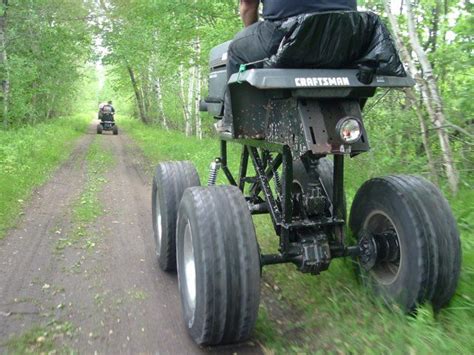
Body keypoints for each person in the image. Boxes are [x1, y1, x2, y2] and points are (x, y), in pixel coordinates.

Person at [216, 0, 357, 133]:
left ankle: (234, 121)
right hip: (344, 37)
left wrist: (252, 33)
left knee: (237, 48)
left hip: (289, 33)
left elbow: (247, 5)